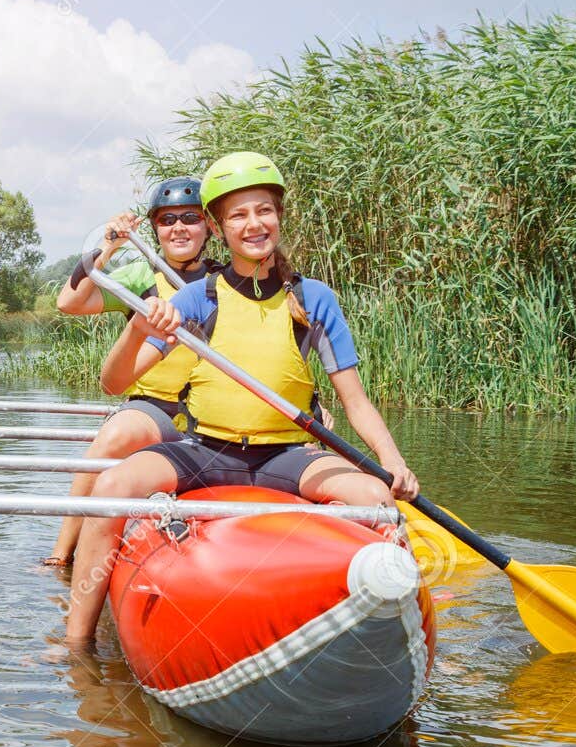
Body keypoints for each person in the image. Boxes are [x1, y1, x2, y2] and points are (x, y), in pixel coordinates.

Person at [65, 152, 420, 643]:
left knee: (377, 499)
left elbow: (356, 402)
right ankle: (75, 646)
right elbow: (114, 382)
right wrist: (137, 330)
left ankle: (398, 633)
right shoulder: (195, 298)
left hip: (289, 456)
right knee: (110, 490)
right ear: (219, 226)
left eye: (264, 210)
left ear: (279, 216)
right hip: (206, 451)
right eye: (238, 215)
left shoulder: (315, 299)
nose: (254, 224)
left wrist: (392, 460)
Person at [43, 177, 220, 566]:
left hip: (216, 413)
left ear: (207, 226)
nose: (179, 228)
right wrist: (110, 244)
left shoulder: (225, 279)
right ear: (155, 228)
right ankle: (61, 556)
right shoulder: (142, 276)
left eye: (190, 218)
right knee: (114, 437)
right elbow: (69, 302)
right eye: (167, 219)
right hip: (156, 409)